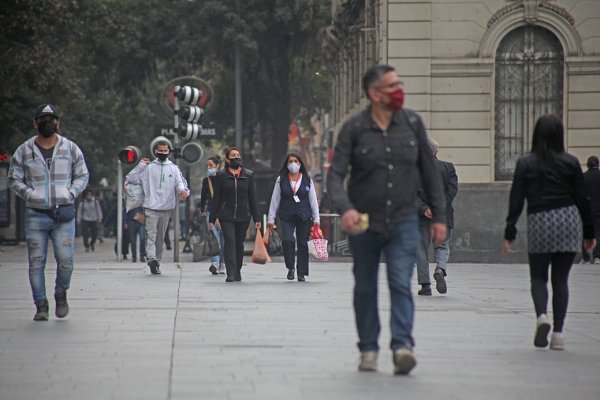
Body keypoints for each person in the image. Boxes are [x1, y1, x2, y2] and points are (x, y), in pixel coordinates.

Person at [327, 64, 446, 375]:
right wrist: (346, 208)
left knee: (400, 283)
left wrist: (439, 216)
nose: (398, 90)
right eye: (392, 86)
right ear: (374, 93)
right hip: (364, 221)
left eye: (399, 84)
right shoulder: (354, 129)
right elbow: (335, 176)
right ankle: (368, 349)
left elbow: (430, 173)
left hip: (404, 220)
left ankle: (402, 347)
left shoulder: (412, 124)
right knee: (365, 286)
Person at [502, 114, 595, 351]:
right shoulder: (571, 162)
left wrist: (510, 231)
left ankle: (542, 316)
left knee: (538, 277)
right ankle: (559, 334)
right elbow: (583, 199)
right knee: (561, 280)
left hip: (539, 221)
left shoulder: (526, 163)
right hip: (567, 219)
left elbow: (516, 198)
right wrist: (589, 232)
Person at [8, 104, 89, 320]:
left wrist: (71, 193)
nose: (47, 123)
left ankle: (60, 295)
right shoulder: (24, 150)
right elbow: (13, 179)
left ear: (58, 123)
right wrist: (29, 194)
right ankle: (41, 305)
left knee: (66, 261)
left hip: (63, 214)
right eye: (43, 120)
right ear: (35, 123)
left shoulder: (70, 148)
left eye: (51, 119)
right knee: (36, 262)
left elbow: (83, 175)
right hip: (36, 214)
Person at [126, 140, 190, 275]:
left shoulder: (173, 168)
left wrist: (182, 191)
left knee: (160, 238)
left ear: (169, 151)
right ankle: (151, 258)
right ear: (155, 151)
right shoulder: (148, 168)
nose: (163, 153)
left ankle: (156, 261)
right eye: (160, 151)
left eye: (165, 151)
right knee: (151, 235)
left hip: (167, 209)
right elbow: (131, 178)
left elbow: (180, 184)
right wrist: (141, 165)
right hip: (150, 208)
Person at [209, 147, 261, 282]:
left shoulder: (248, 175)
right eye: (233, 155)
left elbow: (253, 198)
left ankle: (237, 270)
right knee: (230, 242)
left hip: (244, 215)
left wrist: (257, 218)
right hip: (226, 215)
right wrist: (212, 218)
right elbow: (217, 198)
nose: (236, 158)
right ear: (227, 159)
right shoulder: (221, 175)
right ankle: (230, 272)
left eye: (238, 155)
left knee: (239, 244)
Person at [267, 152, 320, 282]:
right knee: (288, 240)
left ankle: (301, 272)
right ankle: (290, 267)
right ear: (286, 164)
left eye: (296, 161)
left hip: (304, 215)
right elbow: (275, 199)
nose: (293, 164)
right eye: (290, 161)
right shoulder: (281, 180)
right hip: (286, 215)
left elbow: (313, 200)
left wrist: (316, 218)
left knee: (302, 244)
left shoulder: (307, 180)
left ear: (300, 164)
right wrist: (271, 218)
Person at [416, 138, 458, 295]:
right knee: (442, 245)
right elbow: (452, 190)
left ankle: (425, 286)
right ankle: (440, 268)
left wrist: (424, 209)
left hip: (422, 218)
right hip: (443, 216)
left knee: (420, 249)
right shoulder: (448, 168)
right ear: (435, 151)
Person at [199, 155, 226, 275]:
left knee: (224, 240)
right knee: (214, 238)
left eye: (211, 165)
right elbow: (203, 195)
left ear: (218, 166)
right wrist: (202, 209)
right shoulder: (207, 180)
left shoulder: (225, 178)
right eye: (207, 166)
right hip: (210, 212)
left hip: (224, 213)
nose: (209, 168)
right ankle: (215, 263)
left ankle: (223, 264)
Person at [581, 156, 600, 264]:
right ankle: (598, 256)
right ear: (598, 164)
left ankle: (586, 257)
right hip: (598, 210)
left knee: (586, 233)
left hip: (586, 210)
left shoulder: (584, 177)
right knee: (598, 232)